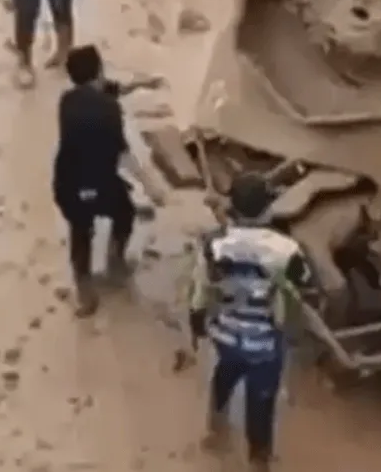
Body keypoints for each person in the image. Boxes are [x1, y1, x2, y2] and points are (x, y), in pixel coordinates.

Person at [189, 174, 311, 472]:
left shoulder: (214, 243)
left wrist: (196, 323)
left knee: (224, 376)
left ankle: (215, 431)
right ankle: (258, 458)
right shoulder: (286, 249)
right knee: (261, 400)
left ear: (233, 205)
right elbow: (304, 281)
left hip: (226, 335)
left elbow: (201, 288)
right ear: (269, 208)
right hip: (265, 342)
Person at [53, 45, 166, 317]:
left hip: (68, 186)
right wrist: (150, 185)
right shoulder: (110, 110)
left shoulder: (67, 101)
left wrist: (138, 84)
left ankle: (84, 291)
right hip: (102, 183)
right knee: (124, 213)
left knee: (80, 233)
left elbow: (106, 90)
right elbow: (124, 155)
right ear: (100, 70)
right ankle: (116, 261)